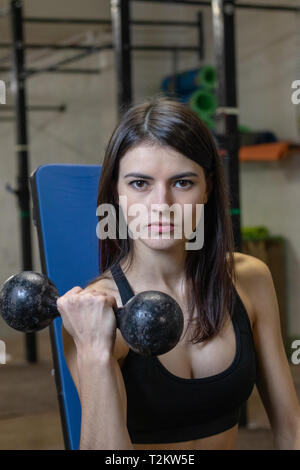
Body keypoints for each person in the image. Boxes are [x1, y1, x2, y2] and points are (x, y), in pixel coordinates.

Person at [57, 95, 300, 450]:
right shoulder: (98, 313)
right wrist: (95, 351)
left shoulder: (249, 280)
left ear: (208, 189)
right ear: (115, 193)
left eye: (182, 183)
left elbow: (291, 429)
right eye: (140, 184)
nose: (161, 206)